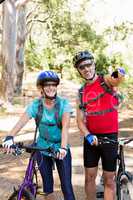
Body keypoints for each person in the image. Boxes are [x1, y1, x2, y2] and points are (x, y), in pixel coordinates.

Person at [2, 70, 76, 200]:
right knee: (47, 188)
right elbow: (21, 122)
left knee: (67, 187)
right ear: (41, 88)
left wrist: (63, 148)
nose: (51, 87)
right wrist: (9, 137)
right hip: (42, 147)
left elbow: (65, 128)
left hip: (60, 147)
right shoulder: (36, 105)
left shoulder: (63, 104)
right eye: (47, 85)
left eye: (53, 85)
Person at [73, 50, 125, 200]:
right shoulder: (81, 93)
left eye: (88, 64)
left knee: (109, 179)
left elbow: (117, 77)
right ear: (79, 71)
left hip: (110, 137)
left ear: (94, 64)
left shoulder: (105, 80)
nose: (86, 69)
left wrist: (119, 73)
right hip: (91, 139)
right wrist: (88, 135)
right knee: (89, 178)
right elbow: (79, 121)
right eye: (82, 67)